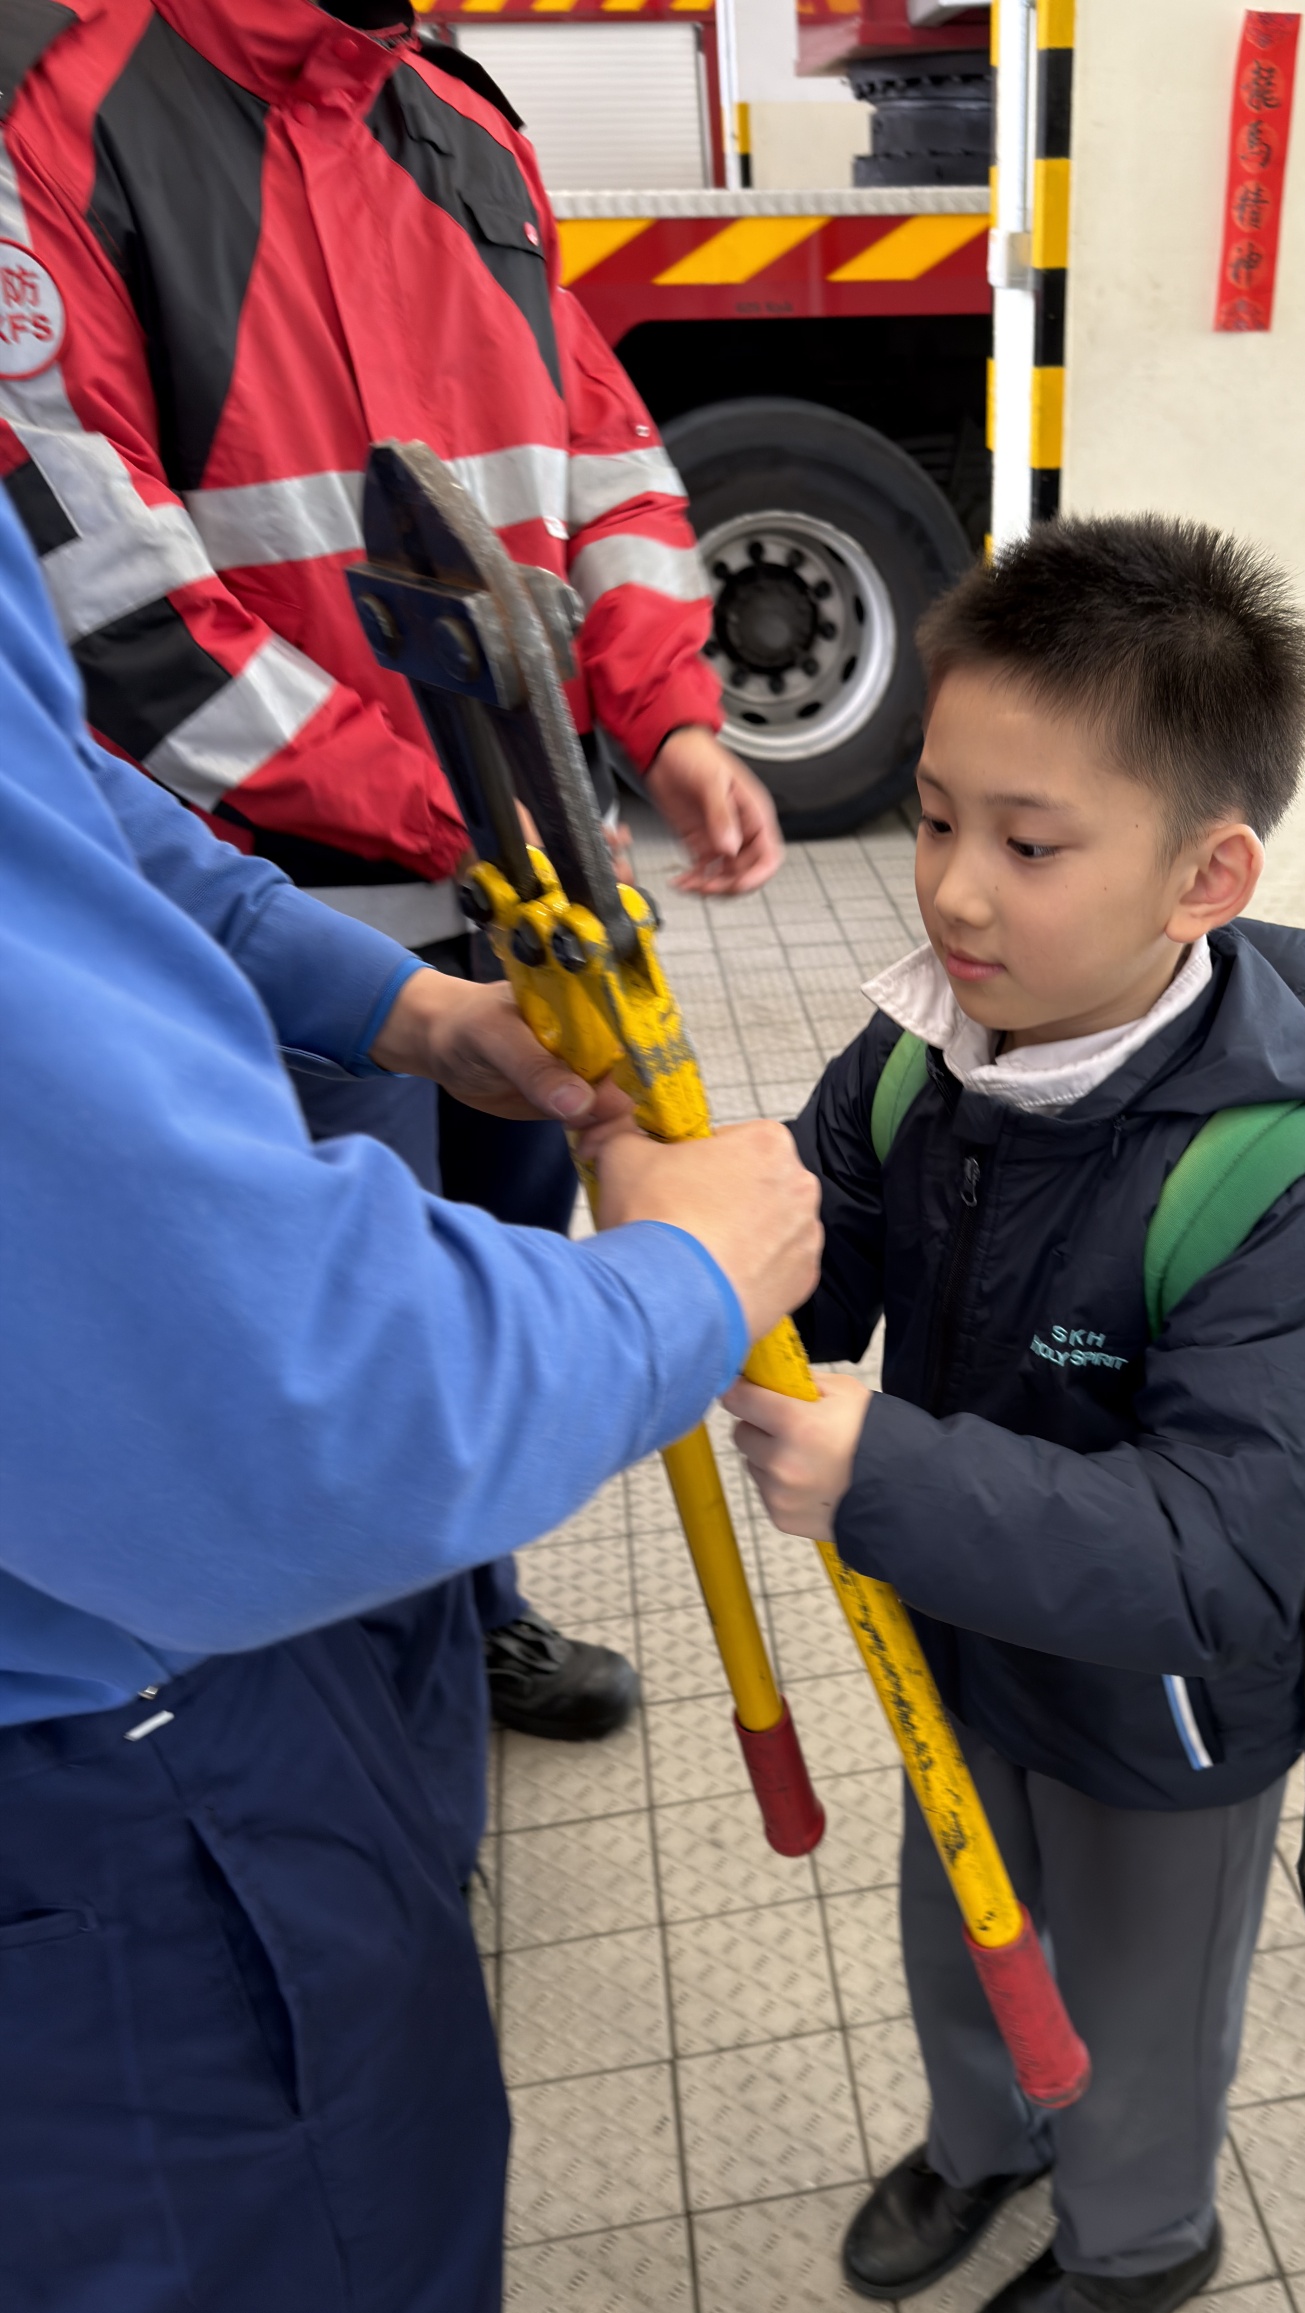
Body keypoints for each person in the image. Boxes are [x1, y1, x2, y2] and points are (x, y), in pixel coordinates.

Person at [0, 487, 819, 2313]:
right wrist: (689, 1285)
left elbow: (62, 802)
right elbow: (301, 1414)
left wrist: (403, 1007)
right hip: (100, 1824)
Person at [723, 516, 1305, 2313]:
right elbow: (817, 1254)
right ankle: (986, 2140)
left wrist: (882, 1478)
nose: (956, 891)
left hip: (1170, 1722)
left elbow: (1219, 1558)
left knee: (1140, 2002)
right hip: (961, 1641)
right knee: (960, 1923)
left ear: (1204, 876)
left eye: (1032, 845)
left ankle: (1141, 2232)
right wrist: (692, 1228)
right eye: (934, 816)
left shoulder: (1274, 1187)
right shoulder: (923, 1060)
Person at [0, 0, 785, 1743]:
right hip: (286, 908)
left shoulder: (461, 127)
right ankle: (343, 1732)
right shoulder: (64, 113)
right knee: (324, 1356)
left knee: (502, 1273)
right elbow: (115, 603)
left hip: (528, 905)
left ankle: (463, 1630)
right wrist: (454, 813)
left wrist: (666, 715)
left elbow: (605, 451)